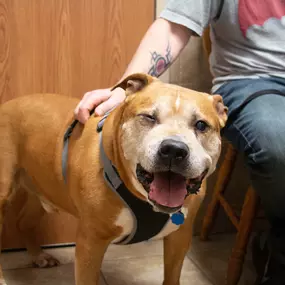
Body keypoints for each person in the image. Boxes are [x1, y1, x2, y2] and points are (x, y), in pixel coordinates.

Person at [74, 1, 285, 284]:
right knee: (277, 142)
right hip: (253, 81)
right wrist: (123, 91)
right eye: (150, 118)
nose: (174, 144)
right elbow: (173, 26)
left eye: (200, 127)